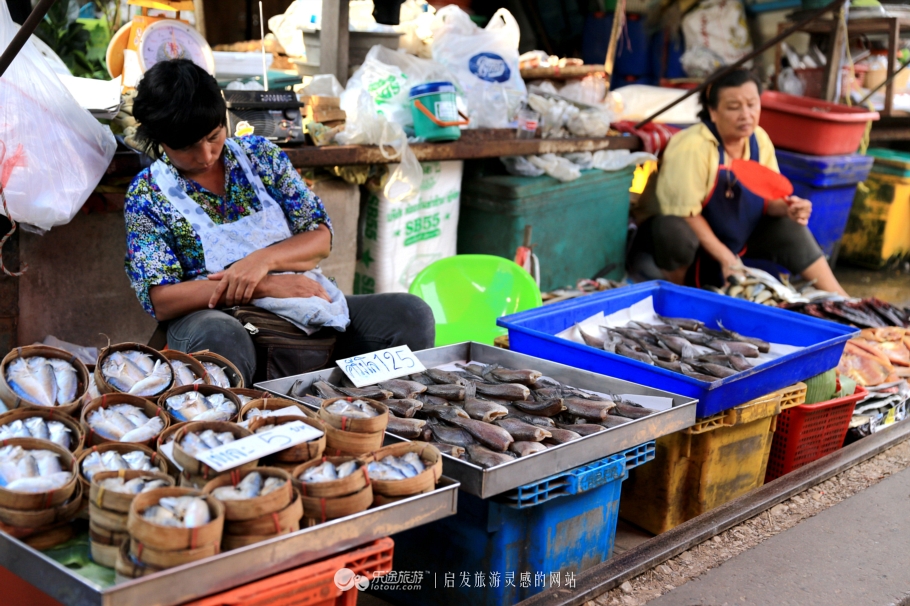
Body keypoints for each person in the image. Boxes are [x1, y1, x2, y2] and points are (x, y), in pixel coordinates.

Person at [123, 59, 435, 385]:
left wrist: (262, 262)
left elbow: (319, 238)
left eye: (214, 136)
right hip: (216, 319)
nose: (205, 155)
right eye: (187, 147)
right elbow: (162, 300)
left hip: (298, 308)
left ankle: (367, 408)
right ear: (159, 139)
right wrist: (260, 287)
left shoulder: (261, 156)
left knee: (409, 315)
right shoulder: (148, 195)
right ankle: (239, 413)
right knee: (220, 334)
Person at [633, 68, 847, 295]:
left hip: (733, 237)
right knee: (675, 232)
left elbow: (768, 200)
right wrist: (727, 258)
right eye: (734, 107)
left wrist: (789, 207)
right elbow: (686, 214)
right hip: (674, 242)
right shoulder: (692, 146)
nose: (746, 114)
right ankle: (678, 293)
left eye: (752, 104)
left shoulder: (759, 140)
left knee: (790, 227)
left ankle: (843, 300)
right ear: (713, 111)